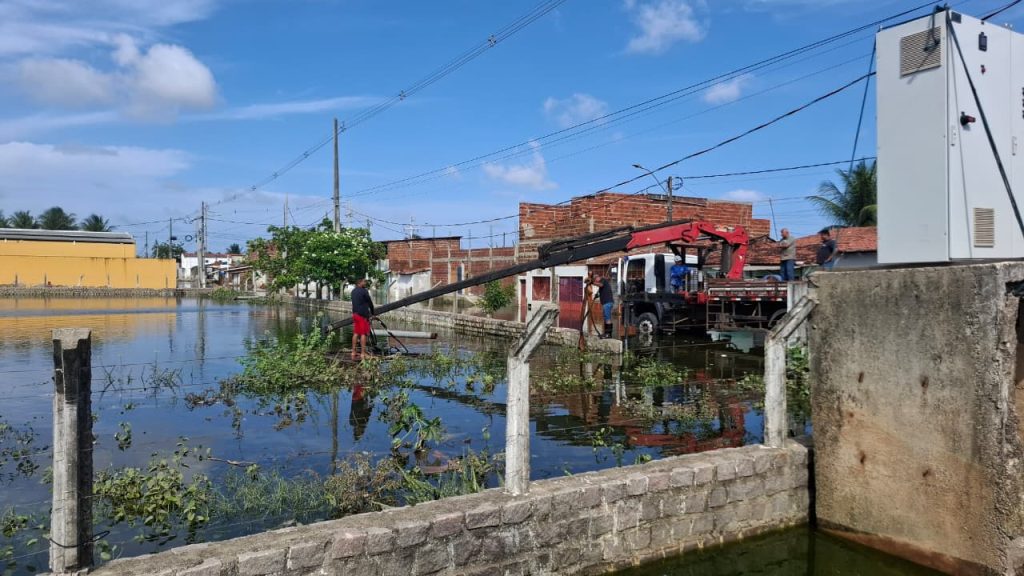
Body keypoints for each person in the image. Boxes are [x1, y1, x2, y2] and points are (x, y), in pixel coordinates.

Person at [350, 278, 375, 360]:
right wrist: (372, 312)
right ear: (359, 283)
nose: (365, 283)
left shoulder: (353, 291)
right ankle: (363, 354)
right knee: (363, 333)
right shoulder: (364, 291)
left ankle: (353, 352)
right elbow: (369, 302)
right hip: (362, 315)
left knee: (356, 333)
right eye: (364, 282)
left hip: (355, 314)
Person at [594, 273, 614, 339]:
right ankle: (606, 333)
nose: (595, 281)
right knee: (606, 317)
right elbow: (602, 291)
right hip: (606, 303)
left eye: (595, 280)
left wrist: (592, 282)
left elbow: (601, 285)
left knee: (607, 318)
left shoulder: (603, 280)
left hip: (607, 302)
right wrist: (597, 295)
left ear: (597, 277)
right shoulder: (602, 283)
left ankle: (608, 334)